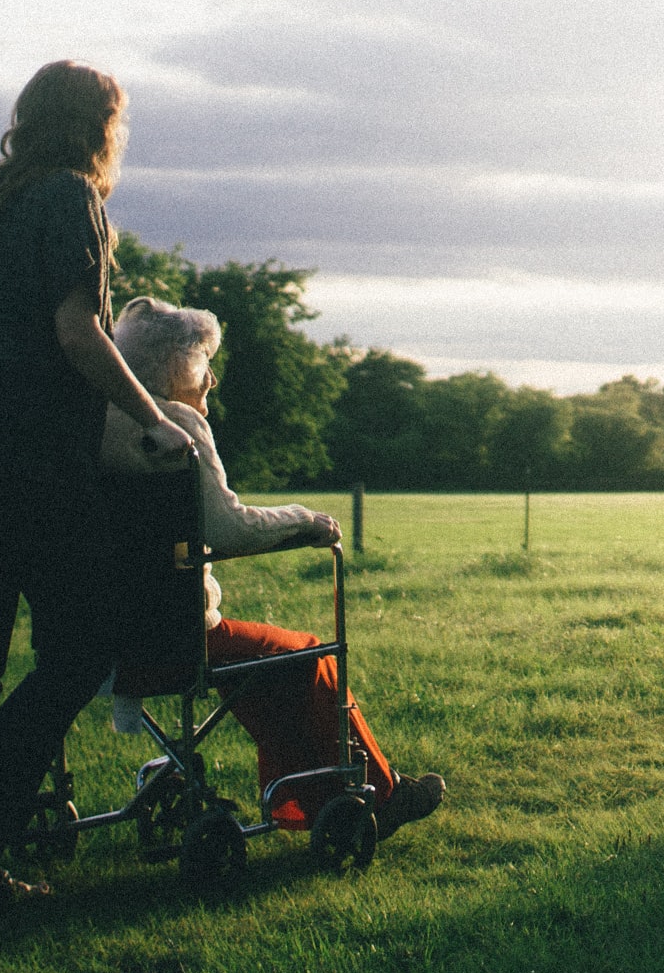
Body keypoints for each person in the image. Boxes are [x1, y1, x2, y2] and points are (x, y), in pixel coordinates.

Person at [0, 60, 195, 900]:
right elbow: (78, 333)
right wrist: (153, 417)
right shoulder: (72, 201)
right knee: (80, 650)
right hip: (27, 473)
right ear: (100, 126)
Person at [98, 296, 445, 840]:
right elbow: (228, 528)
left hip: (104, 639)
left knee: (267, 664)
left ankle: (301, 803)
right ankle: (380, 793)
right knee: (307, 654)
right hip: (175, 638)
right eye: (203, 362)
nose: (211, 378)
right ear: (172, 367)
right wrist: (304, 519)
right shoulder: (176, 427)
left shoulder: (99, 424)